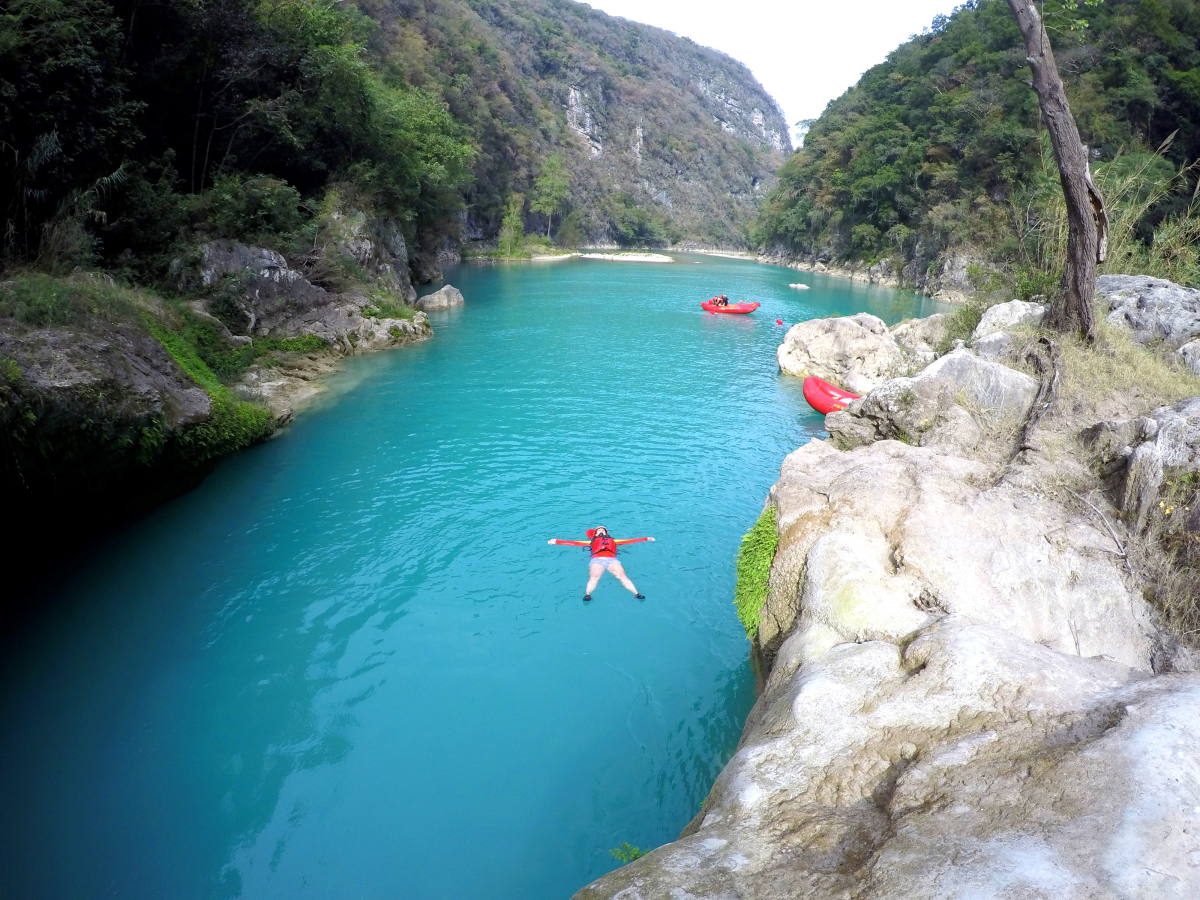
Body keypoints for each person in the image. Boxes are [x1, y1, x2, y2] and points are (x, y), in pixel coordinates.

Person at [547, 526, 655, 602]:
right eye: (599, 530)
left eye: (603, 529)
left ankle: (636, 594)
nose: (601, 530)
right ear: (595, 533)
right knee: (594, 577)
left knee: (622, 576)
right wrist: (556, 541)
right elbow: (574, 543)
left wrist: (646, 538)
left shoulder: (614, 540)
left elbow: (630, 541)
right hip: (597, 559)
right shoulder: (591, 541)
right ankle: (587, 595)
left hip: (612, 559)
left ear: (606, 532)